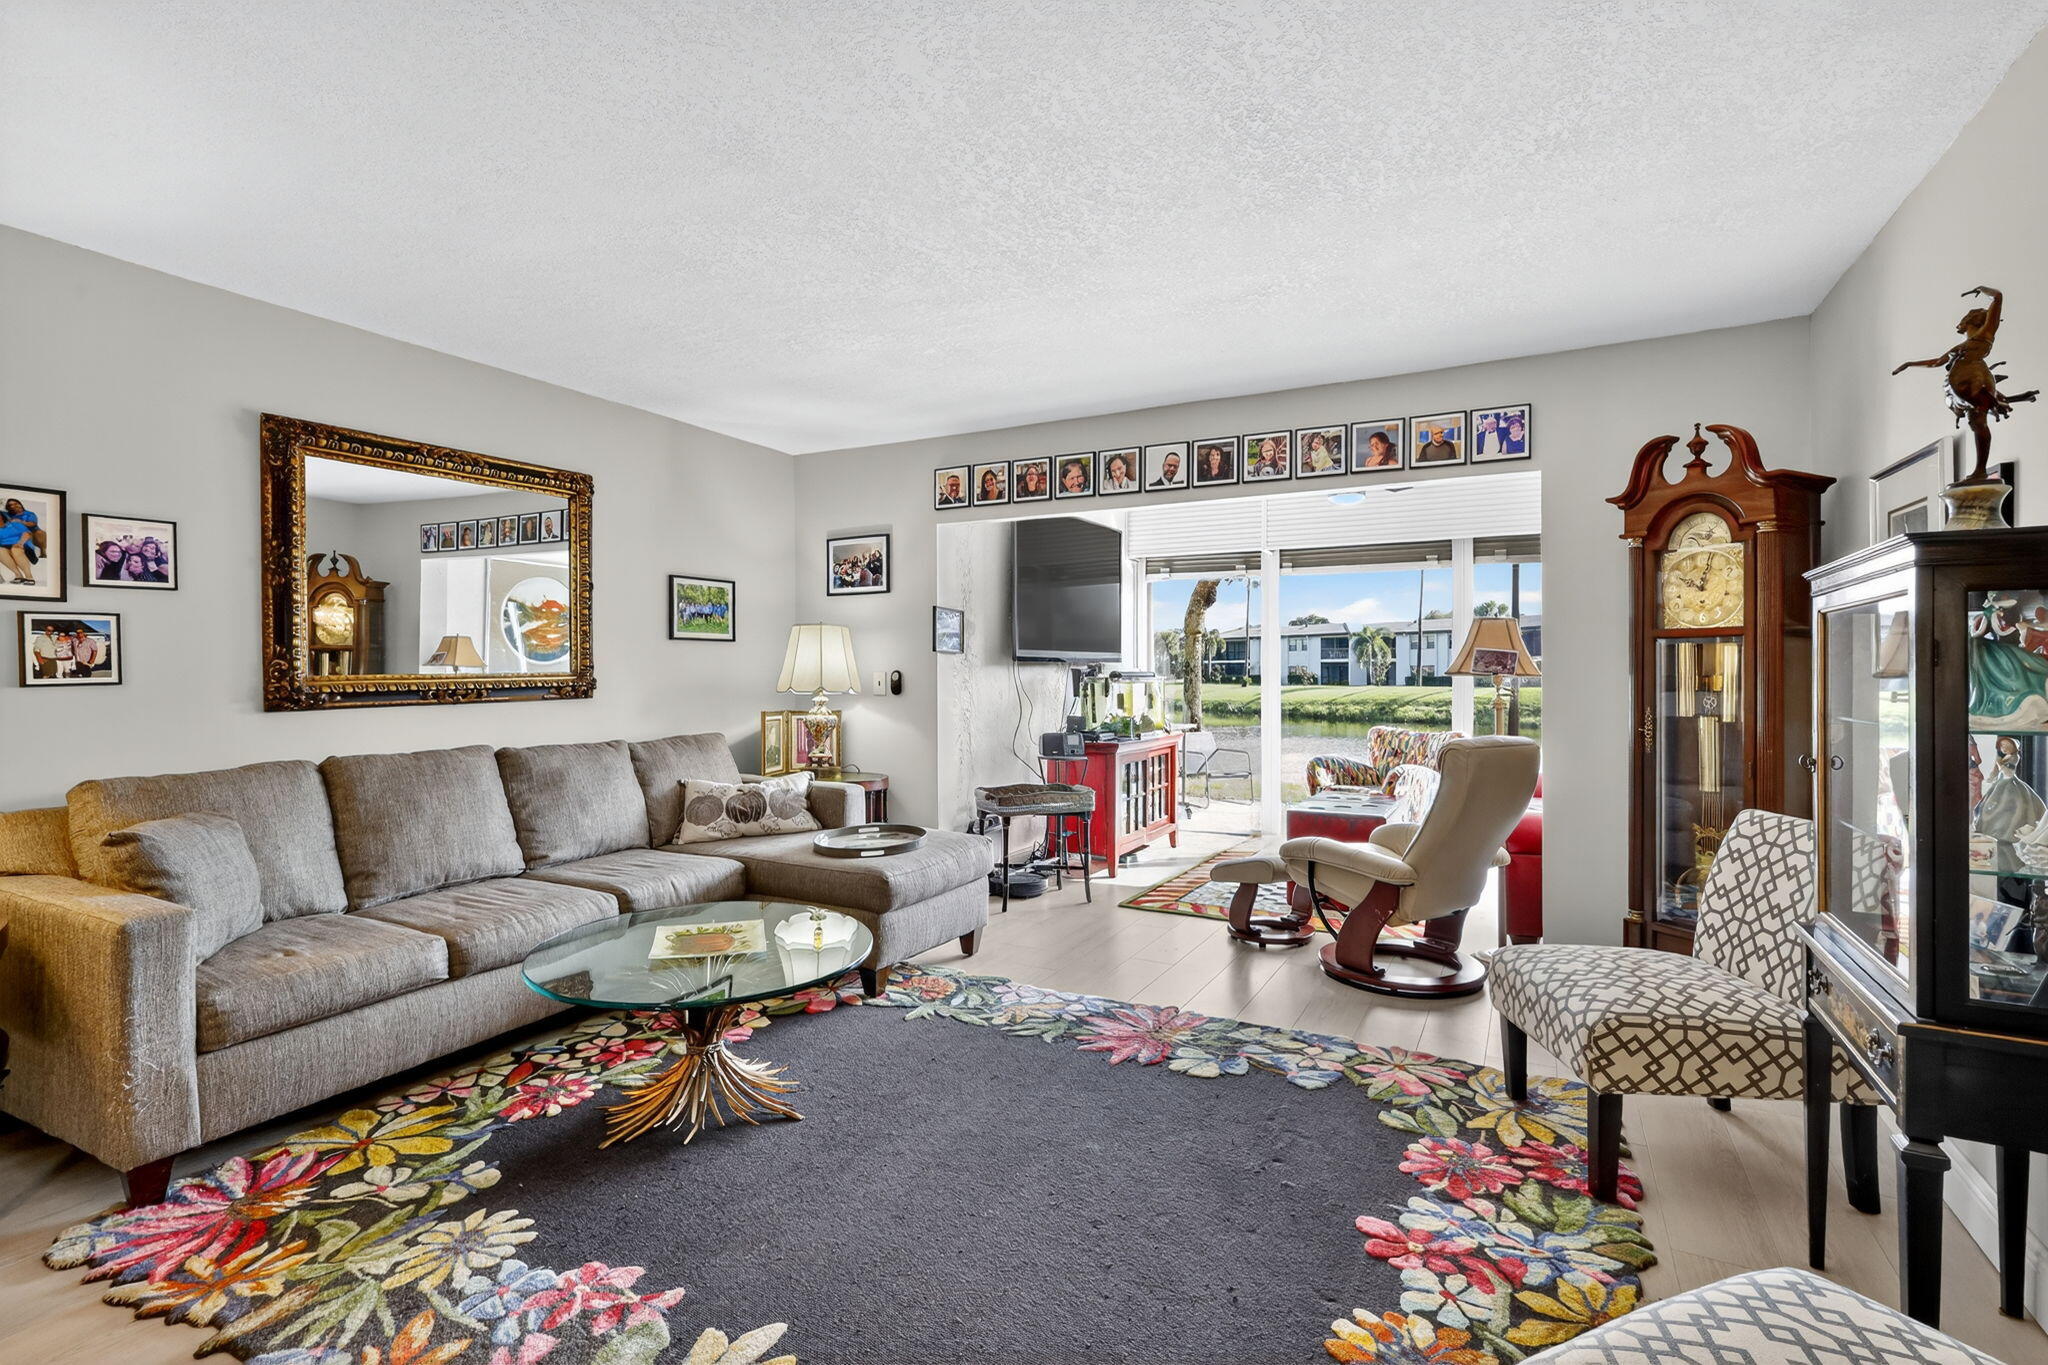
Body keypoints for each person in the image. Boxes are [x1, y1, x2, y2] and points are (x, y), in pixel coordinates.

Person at [0, 498, 41, 586]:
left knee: (15, 549)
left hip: (23, 543)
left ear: (1, 517)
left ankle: (29, 577)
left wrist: (20, 543)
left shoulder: (14, 523)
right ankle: (18, 575)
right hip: (6, 546)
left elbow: (27, 534)